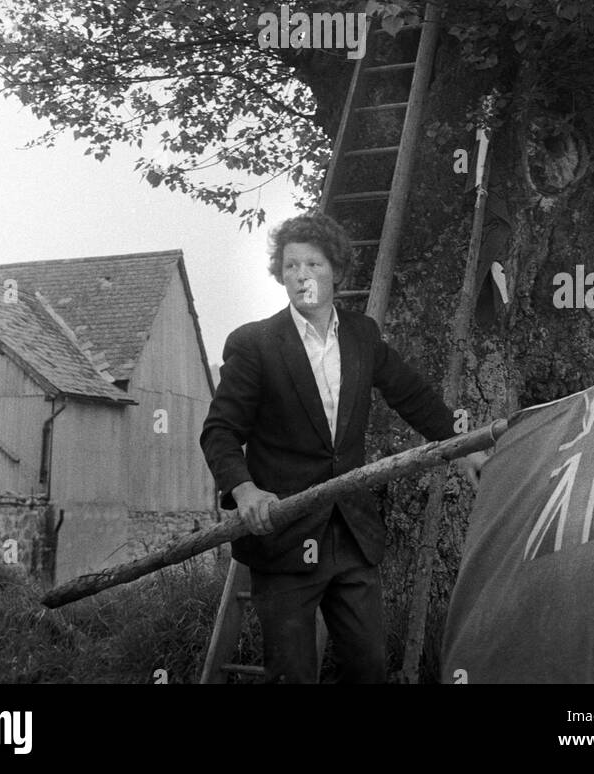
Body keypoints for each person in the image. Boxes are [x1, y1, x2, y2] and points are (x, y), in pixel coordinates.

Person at [200, 212, 480, 684]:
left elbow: (413, 396)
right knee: (291, 674)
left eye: (313, 264)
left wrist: (464, 444)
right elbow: (220, 431)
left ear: (336, 271)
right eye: (291, 267)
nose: (302, 276)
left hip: (351, 533)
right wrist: (245, 492)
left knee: (369, 667)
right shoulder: (255, 344)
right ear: (280, 275)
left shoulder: (361, 335)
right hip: (284, 535)